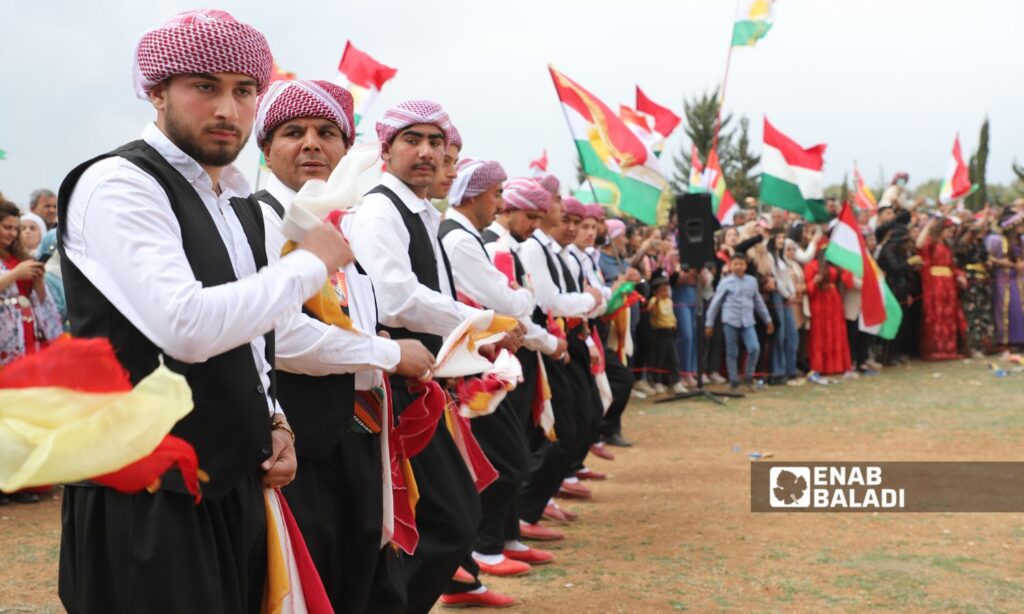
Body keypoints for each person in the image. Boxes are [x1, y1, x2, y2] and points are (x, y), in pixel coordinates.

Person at [56, 11, 350, 612]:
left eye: (244, 91)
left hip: (231, 481)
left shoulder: (236, 200)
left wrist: (274, 419)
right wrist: (309, 264)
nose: (227, 109)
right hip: (145, 493)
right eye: (204, 87)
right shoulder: (120, 183)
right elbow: (186, 327)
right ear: (157, 91)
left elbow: (250, 336)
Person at [251, 79, 436, 613]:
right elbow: (278, 336)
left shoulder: (340, 223)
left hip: (360, 433)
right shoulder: (260, 219)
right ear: (266, 150)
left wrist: (375, 344)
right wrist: (387, 352)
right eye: (293, 132)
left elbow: (356, 320)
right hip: (300, 440)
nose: (311, 144)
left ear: (345, 146)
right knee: (314, 581)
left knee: (361, 576)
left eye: (327, 132)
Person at [348, 100, 513, 612]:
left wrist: (473, 335)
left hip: (423, 384)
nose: (426, 153)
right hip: (393, 387)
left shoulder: (420, 213)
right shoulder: (380, 211)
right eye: (412, 140)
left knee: (447, 514)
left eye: (435, 143)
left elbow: (427, 295)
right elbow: (396, 298)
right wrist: (482, 322)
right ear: (387, 149)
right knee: (444, 519)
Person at [0, 201, 64, 506]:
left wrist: (35, 279)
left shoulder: (19, 258)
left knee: (23, 415)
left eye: (14, 227)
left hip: (25, 344)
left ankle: (24, 481)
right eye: (7, 227)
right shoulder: (13, 265)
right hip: (4, 345)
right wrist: (15, 275)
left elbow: (42, 302)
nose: (12, 233)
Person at [705, 253, 774, 390]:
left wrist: (768, 320)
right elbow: (715, 303)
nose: (738, 267)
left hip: (748, 320)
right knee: (732, 351)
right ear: (731, 266)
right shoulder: (725, 282)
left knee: (754, 347)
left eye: (741, 264)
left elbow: (758, 302)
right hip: (731, 319)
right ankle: (733, 380)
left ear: (745, 266)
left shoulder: (751, 281)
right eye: (735, 264)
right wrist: (709, 323)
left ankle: (748, 375)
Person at [916, 217, 966, 360]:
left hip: (948, 285)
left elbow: (951, 266)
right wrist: (927, 227)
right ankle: (935, 350)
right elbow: (919, 246)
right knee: (936, 314)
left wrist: (959, 276)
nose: (951, 234)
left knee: (948, 316)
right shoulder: (930, 242)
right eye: (949, 231)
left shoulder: (947, 245)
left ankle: (949, 350)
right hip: (935, 283)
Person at [804, 246, 852, 377]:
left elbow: (847, 277)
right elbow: (808, 287)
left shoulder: (835, 265)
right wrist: (815, 281)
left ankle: (837, 365)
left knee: (836, 331)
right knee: (820, 334)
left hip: (834, 300)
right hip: (819, 301)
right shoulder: (811, 266)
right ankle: (819, 366)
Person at [954, 220, 994, 355]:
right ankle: (971, 345)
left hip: (983, 280)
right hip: (970, 279)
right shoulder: (963, 244)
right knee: (972, 312)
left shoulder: (980, 243)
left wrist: (988, 262)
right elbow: (959, 262)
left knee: (984, 312)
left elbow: (985, 257)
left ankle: (985, 343)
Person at [986, 211, 1024, 349]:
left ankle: (1018, 339)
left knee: (1017, 306)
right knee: (1003, 307)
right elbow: (989, 257)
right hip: (1002, 278)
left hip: (1016, 278)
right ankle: (1004, 339)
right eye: (1019, 224)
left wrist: (1018, 265)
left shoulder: (1019, 242)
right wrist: (1001, 262)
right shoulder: (997, 241)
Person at [767, 230, 798, 383]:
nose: (781, 240)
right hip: (778, 297)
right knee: (780, 334)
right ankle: (778, 370)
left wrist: (792, 292)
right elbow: (775, 279)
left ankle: (790, 368)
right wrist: (786, 294)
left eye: (782, 237)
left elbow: (786, 277)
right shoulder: (769, 257)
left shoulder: (782, 257)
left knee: (792, 334)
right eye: (778, 237)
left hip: (787, 296)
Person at [646, 277, 685, 393]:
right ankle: (657, 382)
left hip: (670, 331)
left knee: (674, 357)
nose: (665, 293)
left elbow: (670, 314)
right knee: (659, 357)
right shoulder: (654, 300)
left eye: (667, 290)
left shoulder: (669, 301)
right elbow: (651, 311)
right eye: (662, 290)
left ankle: (676, 381)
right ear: (655, 291)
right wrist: (656, 301)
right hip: (659, 332)